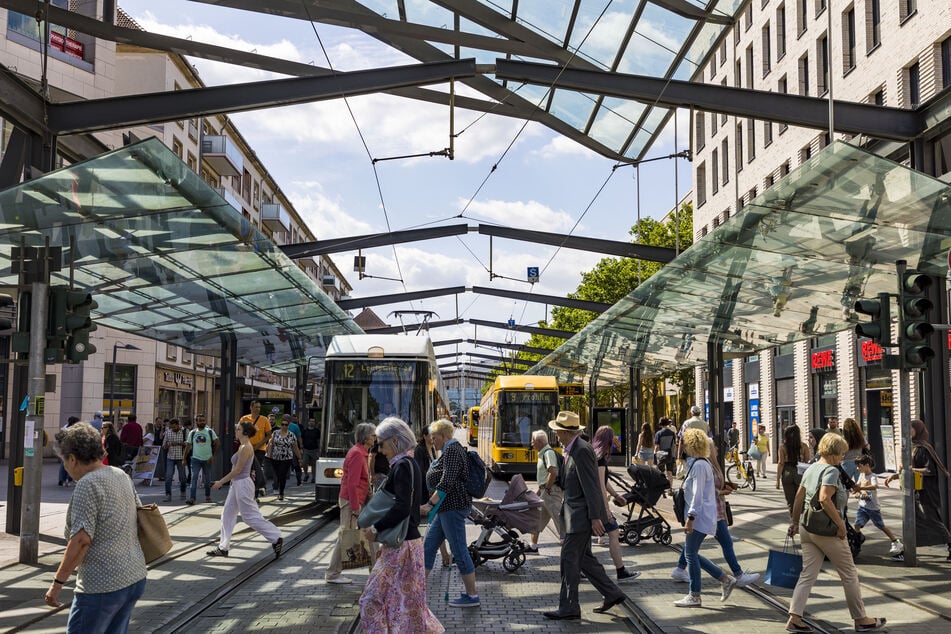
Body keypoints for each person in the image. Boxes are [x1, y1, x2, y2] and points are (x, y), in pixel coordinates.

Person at [45, 423, 147, 633]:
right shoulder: (120, 474)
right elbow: (140, 517)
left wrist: (57, 583)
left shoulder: (87, 484)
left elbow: (81, 540)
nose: (65, 467)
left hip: (102, 585)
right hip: (133, 576)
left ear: (73, 458)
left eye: (64, 460)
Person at [785, 433, 886, 633]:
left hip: (807, 528)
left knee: (807, 575)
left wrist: (794, 522)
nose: (843, 457)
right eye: (841, 453)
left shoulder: (812, 467)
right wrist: (841, 525)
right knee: (849, 574)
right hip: (827, 531)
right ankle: (861, 619)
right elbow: (824, 499)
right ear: (833, 453)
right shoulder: (830, 470)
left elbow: (798, 497)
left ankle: (794, 618)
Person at [359, 418, 444, 633]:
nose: (380, 450)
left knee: (371, 599)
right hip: (410, 543)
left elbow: (402, 507)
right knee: (408, 602)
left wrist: (376, 528)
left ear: (395, 441)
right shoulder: (410, 463)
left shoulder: (402, 466)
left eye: (381, 444)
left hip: (401, 546)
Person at [543, 411, 626, 620]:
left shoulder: (581, 450)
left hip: (579, 517)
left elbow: (592, 485)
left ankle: (569, 606)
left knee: (568, 560)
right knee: (584, 560)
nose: (555, 434)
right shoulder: (572, 449)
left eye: (557, 431)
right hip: (575, 515)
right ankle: (612, 593)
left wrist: (596, 517)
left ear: (565, 432)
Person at [670, 439, 759, 595]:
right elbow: (702, 493)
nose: (718, 448)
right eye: (714, 446)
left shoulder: (706, 464)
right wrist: (691, 517)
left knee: (694, 549)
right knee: (694, 551)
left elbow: (704, 491)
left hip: (711, 512)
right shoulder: (703, 465)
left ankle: (692, 580)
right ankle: (727, 578)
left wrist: (724, 487)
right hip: (708, 513)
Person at [422, 418, 480, 608]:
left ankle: (472, 596)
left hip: (452, 507)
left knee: (459, 549)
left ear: (443, 435)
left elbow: (447, 481)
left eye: (434, 437)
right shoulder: (449, 450)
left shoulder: (453, 450)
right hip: (446, 508)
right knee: (429, 545)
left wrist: (430, 504)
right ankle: (416, 590)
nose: (432, 441)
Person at [207, 421, 283, 559]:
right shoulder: (242, 446)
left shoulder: (245, 447)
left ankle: (276, 537)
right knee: (227, 514)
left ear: (245, 433)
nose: (236, 431)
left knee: (249, 516)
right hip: (237, 484)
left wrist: (220, 482)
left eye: (238, 429)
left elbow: (237, 470)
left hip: (243, 484)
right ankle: (223, 547)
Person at [884, 419, 951, 561]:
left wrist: (910, 469)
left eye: (911, 429)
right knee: (914, 521)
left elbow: (929, 470)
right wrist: (895, 476)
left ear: (918, 430)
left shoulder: (923, 448)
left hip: (926, 492)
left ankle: (949, 545)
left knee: (932, 520)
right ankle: (909, 550)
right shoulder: (913, 447)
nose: (908, 432)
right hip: (915, 491)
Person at [673, 428, 722, 608]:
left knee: (690, 555)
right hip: (700, 515)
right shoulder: (700, 463)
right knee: (691, 553)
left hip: (699, 517)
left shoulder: (700, 466)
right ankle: (725, 579)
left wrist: (690, 517)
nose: (683, 446)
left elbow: (698, 494)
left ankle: (695, 595)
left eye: (685, 443)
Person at [325, 422, 377, 584]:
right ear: (366, 438)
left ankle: (376, 571)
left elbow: (363, 481)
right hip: (351, 501)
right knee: (345, 535)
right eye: (373, 435)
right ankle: (333, 574)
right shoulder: (357, 454)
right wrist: (355, 508)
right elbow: (352, 484)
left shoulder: (361, 453)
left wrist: (370, 499)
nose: (375, 438)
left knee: (369, 533)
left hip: (359, 500)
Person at [592, 426, 641, 583]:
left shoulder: (595, 454)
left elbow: (604, 481)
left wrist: (616, 495)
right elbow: (601, 484)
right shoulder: (600, 458)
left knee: (584, 538)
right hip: (598, 504)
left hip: (592, 503)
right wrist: (606, 510)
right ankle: (621, 572)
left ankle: (579, 569)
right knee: (613, 532)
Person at [414, 427, 451, 566]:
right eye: (431, 435)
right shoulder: (419, 450)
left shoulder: (434, 450)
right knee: (431, 525)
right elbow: (420, 472)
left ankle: (444, 555)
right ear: (424, 436)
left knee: (436, 524)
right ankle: (442, 555)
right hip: (424, 493)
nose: (433, 438)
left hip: (432, 493)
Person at [853, 455, 903, 556]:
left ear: (867, 465)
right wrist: (855, 489)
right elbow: (857, 485)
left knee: (881, 526)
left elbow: (875, 486)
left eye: (859, 466)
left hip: (873, 508)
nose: (857, 468)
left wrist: (861, 488)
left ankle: (896, 542)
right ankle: (857, 541)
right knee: (857, 525)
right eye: (857, 466)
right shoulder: (861, 475)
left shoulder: (873, 476)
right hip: (862, 506)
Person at [529, 429, 563, 551]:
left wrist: (547, 488)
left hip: (551, 491)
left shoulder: (548, 453)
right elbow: (545, 476)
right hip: (546, 491)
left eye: (533, 441)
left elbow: (553, 472)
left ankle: (569, 544)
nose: (531, 444)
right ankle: (533, 546)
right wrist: (539, 491)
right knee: (537, 519)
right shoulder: (543, 453)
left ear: (539, 442)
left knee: (558, 518)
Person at [239, 401, 272, 498]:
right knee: (248, 470)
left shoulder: (264, 419)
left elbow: (269, 435)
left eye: (259, 407)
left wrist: (258, 445)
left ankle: (255, 495)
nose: (258, 409)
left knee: (255, 470)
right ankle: (259, 486)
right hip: (247, 448)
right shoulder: (244, 419)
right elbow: (239, 432)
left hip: (260, 449)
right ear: (251, 407)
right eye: (256, 407)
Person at [777, 425, 812, 514]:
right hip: (800, 472)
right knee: (801, 498)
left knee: (790, 500)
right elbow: (807, 461)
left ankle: (793, 518)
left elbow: (781, 463)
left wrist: (777, 480)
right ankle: (801, 517)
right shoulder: (804, 446)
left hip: (787, 472)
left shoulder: (782, 447)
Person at [184, 415, 219, 505]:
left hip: (207, 459)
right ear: (196, 422)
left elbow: (217, 443)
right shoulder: (192, 433)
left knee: (207, 479)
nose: (202, 422)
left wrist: (213, 456)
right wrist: (184, 458)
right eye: (200, 421)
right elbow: (188, 446)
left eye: (203, 420)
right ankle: (192, 498)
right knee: (194, 478)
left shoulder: (210, 431)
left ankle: (207, 496)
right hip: (195, 459)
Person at [266, 418, 302, 501]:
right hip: (275, 457)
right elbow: (270, 443)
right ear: (280, 425)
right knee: (278, 475)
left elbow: (295, 447)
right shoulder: (275, 433)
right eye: (282, 424)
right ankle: (278, 487)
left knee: (282, 475)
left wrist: (299, 458)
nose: (284, 426)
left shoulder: (291, 435)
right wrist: (268, 454)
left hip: (287, 458)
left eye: (286, 425)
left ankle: (281, 493)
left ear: (288, 426)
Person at [162, 419, 187, 502]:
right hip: (170, 457)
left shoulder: (184, 432)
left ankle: (183, 492)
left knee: (182, 477)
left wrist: (179, 443)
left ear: (178, 425)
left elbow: (188, 444)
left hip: (181, 457)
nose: (173, 429)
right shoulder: (168, 432)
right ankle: (168, 494)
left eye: (175, 427)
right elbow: (164, 446)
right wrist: (168, 444)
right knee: (168, 476)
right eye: (172, 427)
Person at [653, 417, 677, 489]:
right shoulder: (672, 433)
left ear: (660, 424)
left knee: (661, 472)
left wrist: (655, 454)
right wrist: (674, 455)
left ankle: (662, 488)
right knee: (669, 473)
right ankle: (670, 488)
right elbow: (674, 445)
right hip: (670, 454)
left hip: (661, 455)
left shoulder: (658, 433)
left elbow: (657, 446)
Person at [58, 416, 80, 487]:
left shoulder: (65, 427)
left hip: (64, 448)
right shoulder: (75, 429)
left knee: (63, 464)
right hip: (72, 448)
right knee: (72, 464)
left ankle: (61, 480)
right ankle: (69, 479)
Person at [300, 419, 321, 483]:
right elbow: (301, 438)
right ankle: (306, 475)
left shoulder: (317, 431)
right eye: (310, 421)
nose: (311, 422)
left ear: (315, 423)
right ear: (308, 422)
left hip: (314, 450)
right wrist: (301, 446)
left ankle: (313, 477)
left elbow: (319, 440)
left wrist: (319, 450)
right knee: (304, 463)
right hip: (306, 449)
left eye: (313, 421)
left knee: (314, 464)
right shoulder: (304, 431)